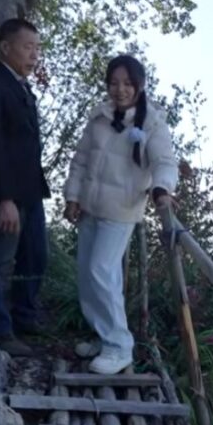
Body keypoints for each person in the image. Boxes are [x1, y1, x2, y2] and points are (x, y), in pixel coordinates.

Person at [62, 55, 178, 374]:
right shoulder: (99, 118)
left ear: (140, 86)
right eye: (114, 83)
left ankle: (119, 347)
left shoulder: (152, 123)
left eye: (127, 83)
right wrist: (73, 196)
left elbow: (165, 163)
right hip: (90, 208)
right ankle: (103, 336)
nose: (120, 90)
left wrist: (162, 188)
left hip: (121, 211)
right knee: (87, 275)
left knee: (101, 270)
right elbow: (80, 161)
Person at [0, 18, 50, 357]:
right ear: (5, 47)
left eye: (37, 48)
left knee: (35, 256)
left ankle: (24, 317)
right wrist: (3, 198)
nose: (34, 55)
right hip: (7, 193)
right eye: (27, 47)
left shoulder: (20, 87)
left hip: (31, 191)